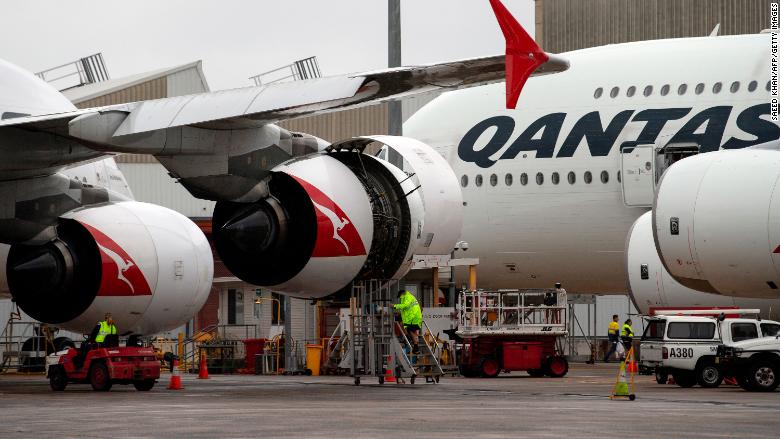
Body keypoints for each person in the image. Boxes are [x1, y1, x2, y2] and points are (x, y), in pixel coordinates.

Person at [394, 289, 422, 354]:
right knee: (413, 331)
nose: (400, 298)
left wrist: (394, 306)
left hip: (412, 317)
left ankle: (414, 345)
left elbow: (405, 305)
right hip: (415, 317)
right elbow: (406, 307)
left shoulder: (407, 297)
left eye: (400, 296)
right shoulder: (411, 297)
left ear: (403, 293)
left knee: (409, 329)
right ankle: (414, 345)